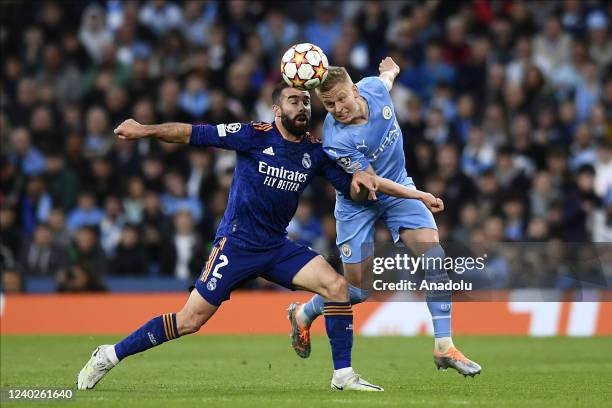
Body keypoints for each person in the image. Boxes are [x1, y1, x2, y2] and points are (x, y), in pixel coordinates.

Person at [77, 82, 394, 392]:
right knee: (189, 321)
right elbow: (193, 133)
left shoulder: (315, 151)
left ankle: (343, 374)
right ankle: (109, 355)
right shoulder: (253, 135)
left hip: (277, 246)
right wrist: (145, 129)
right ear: (276, 109)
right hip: (237, 245)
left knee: (337, 287)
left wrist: (363, 179)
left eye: (306, 102)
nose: (302, 107)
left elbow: (350, 189)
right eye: (294, 101)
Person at [288, 59, 481, 377]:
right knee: (357, 293)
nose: (338, 108)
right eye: (329, 104)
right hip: (358, 204)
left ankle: (444, 346)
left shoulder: (374, 89)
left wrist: (392, 69)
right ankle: (304, 313)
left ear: (355, 90)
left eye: (341, 98)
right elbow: (372, 182)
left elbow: (386, 78)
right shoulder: (337, 139)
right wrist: (419, 194)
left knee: (434, 257)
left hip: (398, 189)